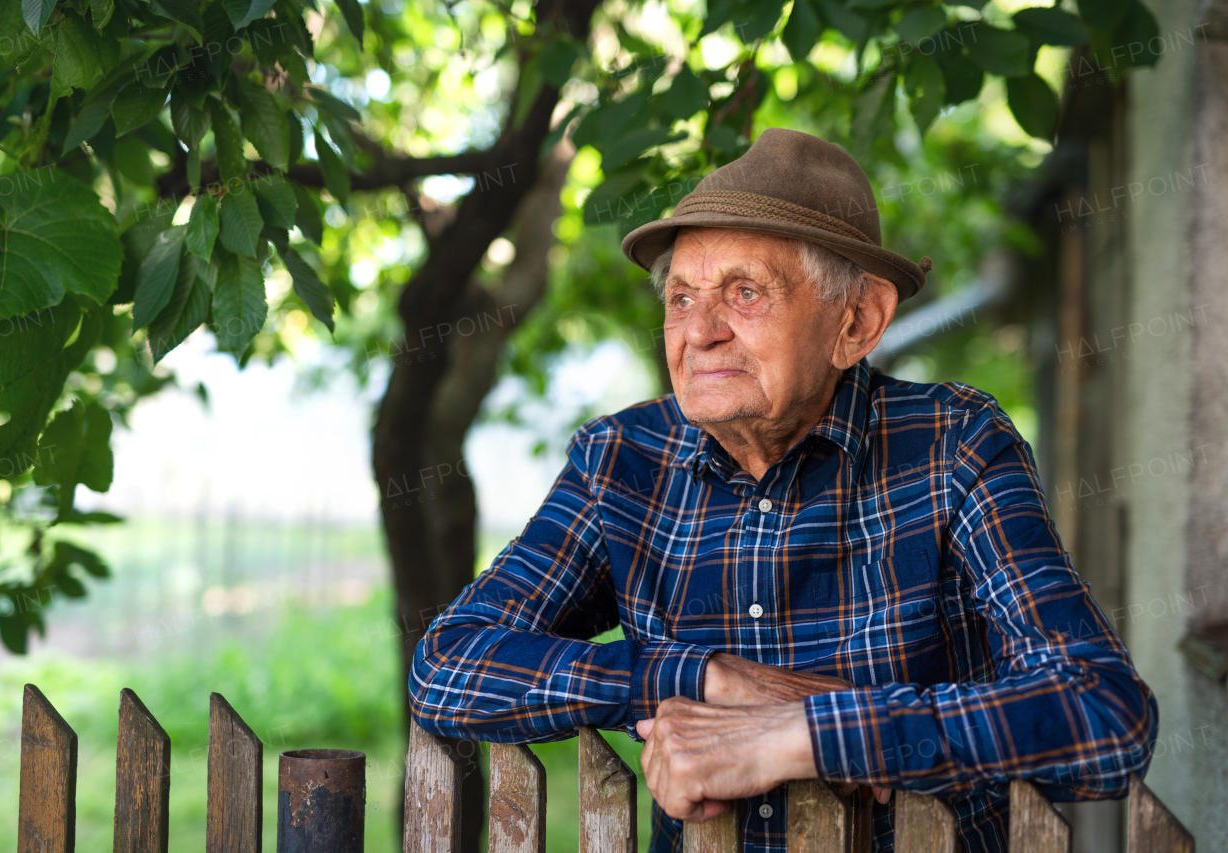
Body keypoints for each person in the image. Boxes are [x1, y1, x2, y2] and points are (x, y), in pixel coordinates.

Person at [408, 128, 1157, 852]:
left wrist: (805, 732)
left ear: (856, 322)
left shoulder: (956, 447)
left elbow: (1103, 713)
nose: (698, 331)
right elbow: (448, 664)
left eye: (744, 293)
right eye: (679, 298)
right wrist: (704, 676)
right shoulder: (621, 461)